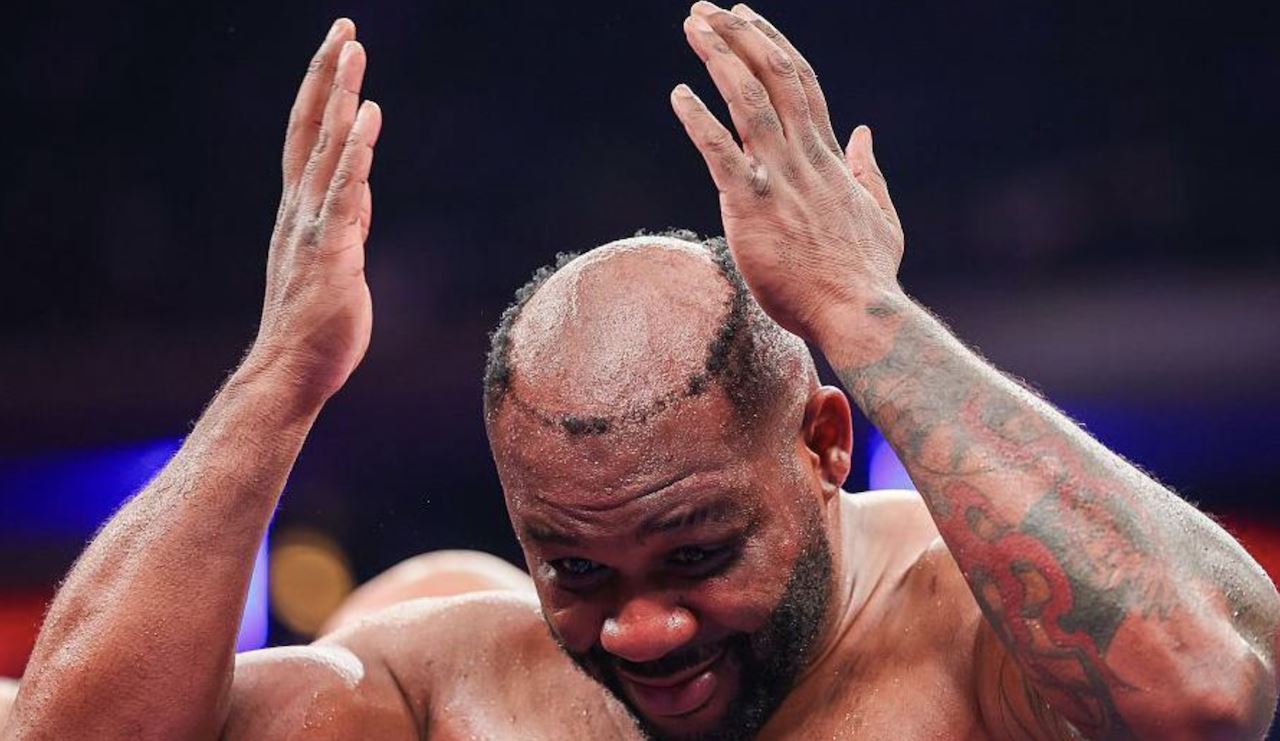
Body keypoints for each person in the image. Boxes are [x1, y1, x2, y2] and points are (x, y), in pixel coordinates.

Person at [5, 3, 1277, 740]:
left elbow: (1202, 694)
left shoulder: (965, 642)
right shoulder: (456, 682)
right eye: (575, 568)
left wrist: (865, 312)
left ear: (824, 445)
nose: (641, 631)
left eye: (696, 553)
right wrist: (281, 375)